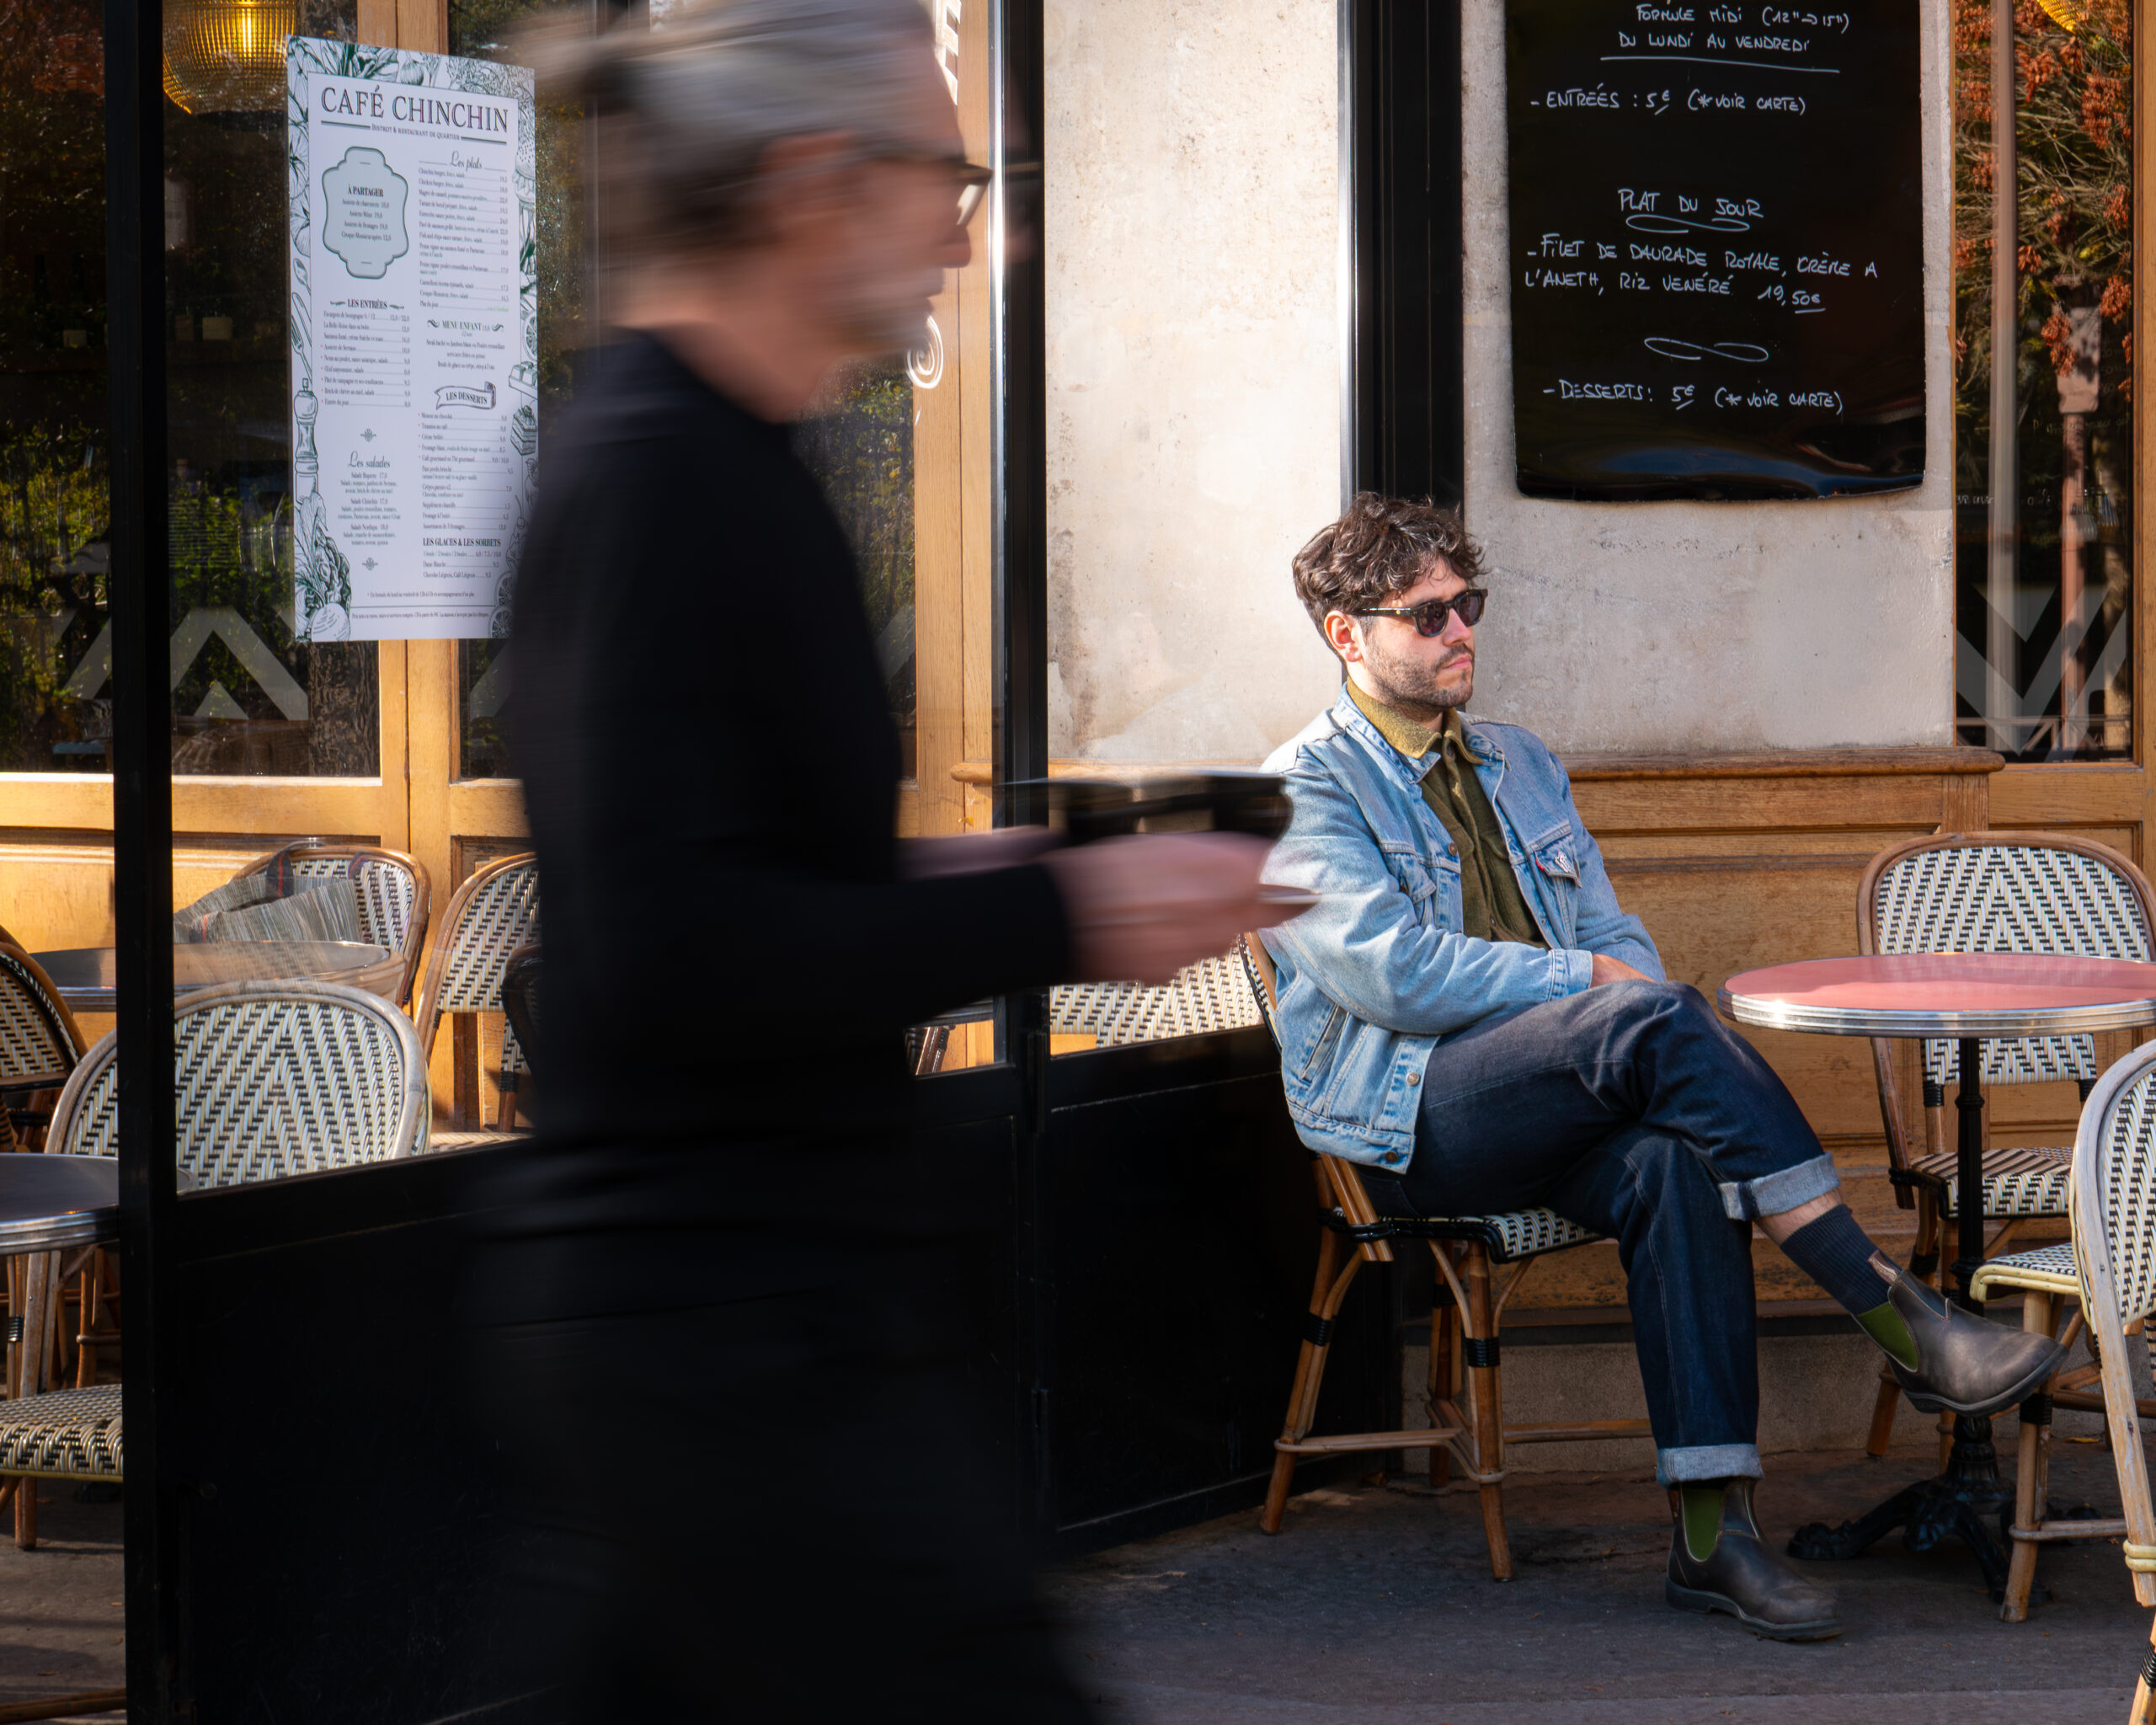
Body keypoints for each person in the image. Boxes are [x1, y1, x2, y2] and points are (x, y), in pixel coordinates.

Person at [472, 2, 1283, 1716]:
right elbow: (669, 952)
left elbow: (715, 880)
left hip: (745, 1313)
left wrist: (951, 881)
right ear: (812, 183)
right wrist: (1059, 905)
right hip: (726, 1330)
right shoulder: (656, 484)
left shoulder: (725, 462)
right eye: (949, 175)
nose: (966, 230)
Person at [1257, 494, 2065, 1642]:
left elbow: (1617, 931)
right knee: (1650, 1020)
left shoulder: (1522, 764)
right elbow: (1392, 978)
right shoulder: (1303, 788)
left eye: (1469, 605)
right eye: (1428, 614)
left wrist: (1606, 981)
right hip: (1412, 1119)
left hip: (1561, 1093)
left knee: (1675, 1161)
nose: (1460, 632)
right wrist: (1586, 986)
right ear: (1349, 635)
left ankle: (1712, 1540)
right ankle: (1899, 1317)